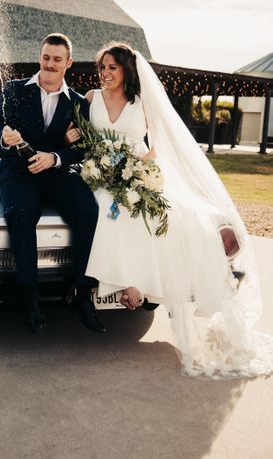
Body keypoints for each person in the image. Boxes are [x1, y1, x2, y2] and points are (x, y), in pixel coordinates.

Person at [65, 42, 273, 378]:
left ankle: (138, 287)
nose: (104, 74)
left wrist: (137, 167)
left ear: (126, 71)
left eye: (111, 68)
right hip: (100, 176)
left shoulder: (142, 102)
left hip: (135, 172)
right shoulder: (89, 98)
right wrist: (79, 144)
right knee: (108, 208)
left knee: (156, 215)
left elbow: (158, 144)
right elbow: (80, 136)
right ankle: (127, 285)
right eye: (102, 68)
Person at [0, 33, 105, 334]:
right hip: (17, 172)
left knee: (88, 209)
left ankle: (81, 294)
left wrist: (55, 156)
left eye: (57, 59)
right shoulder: (14, 90)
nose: (50, 64)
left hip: (55, 172)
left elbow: (83, 148)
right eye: (45, 57)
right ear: (39, 57)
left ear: (68, 63)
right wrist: (4, 137)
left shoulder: (78, 102)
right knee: (23, 212)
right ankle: (30, 297)